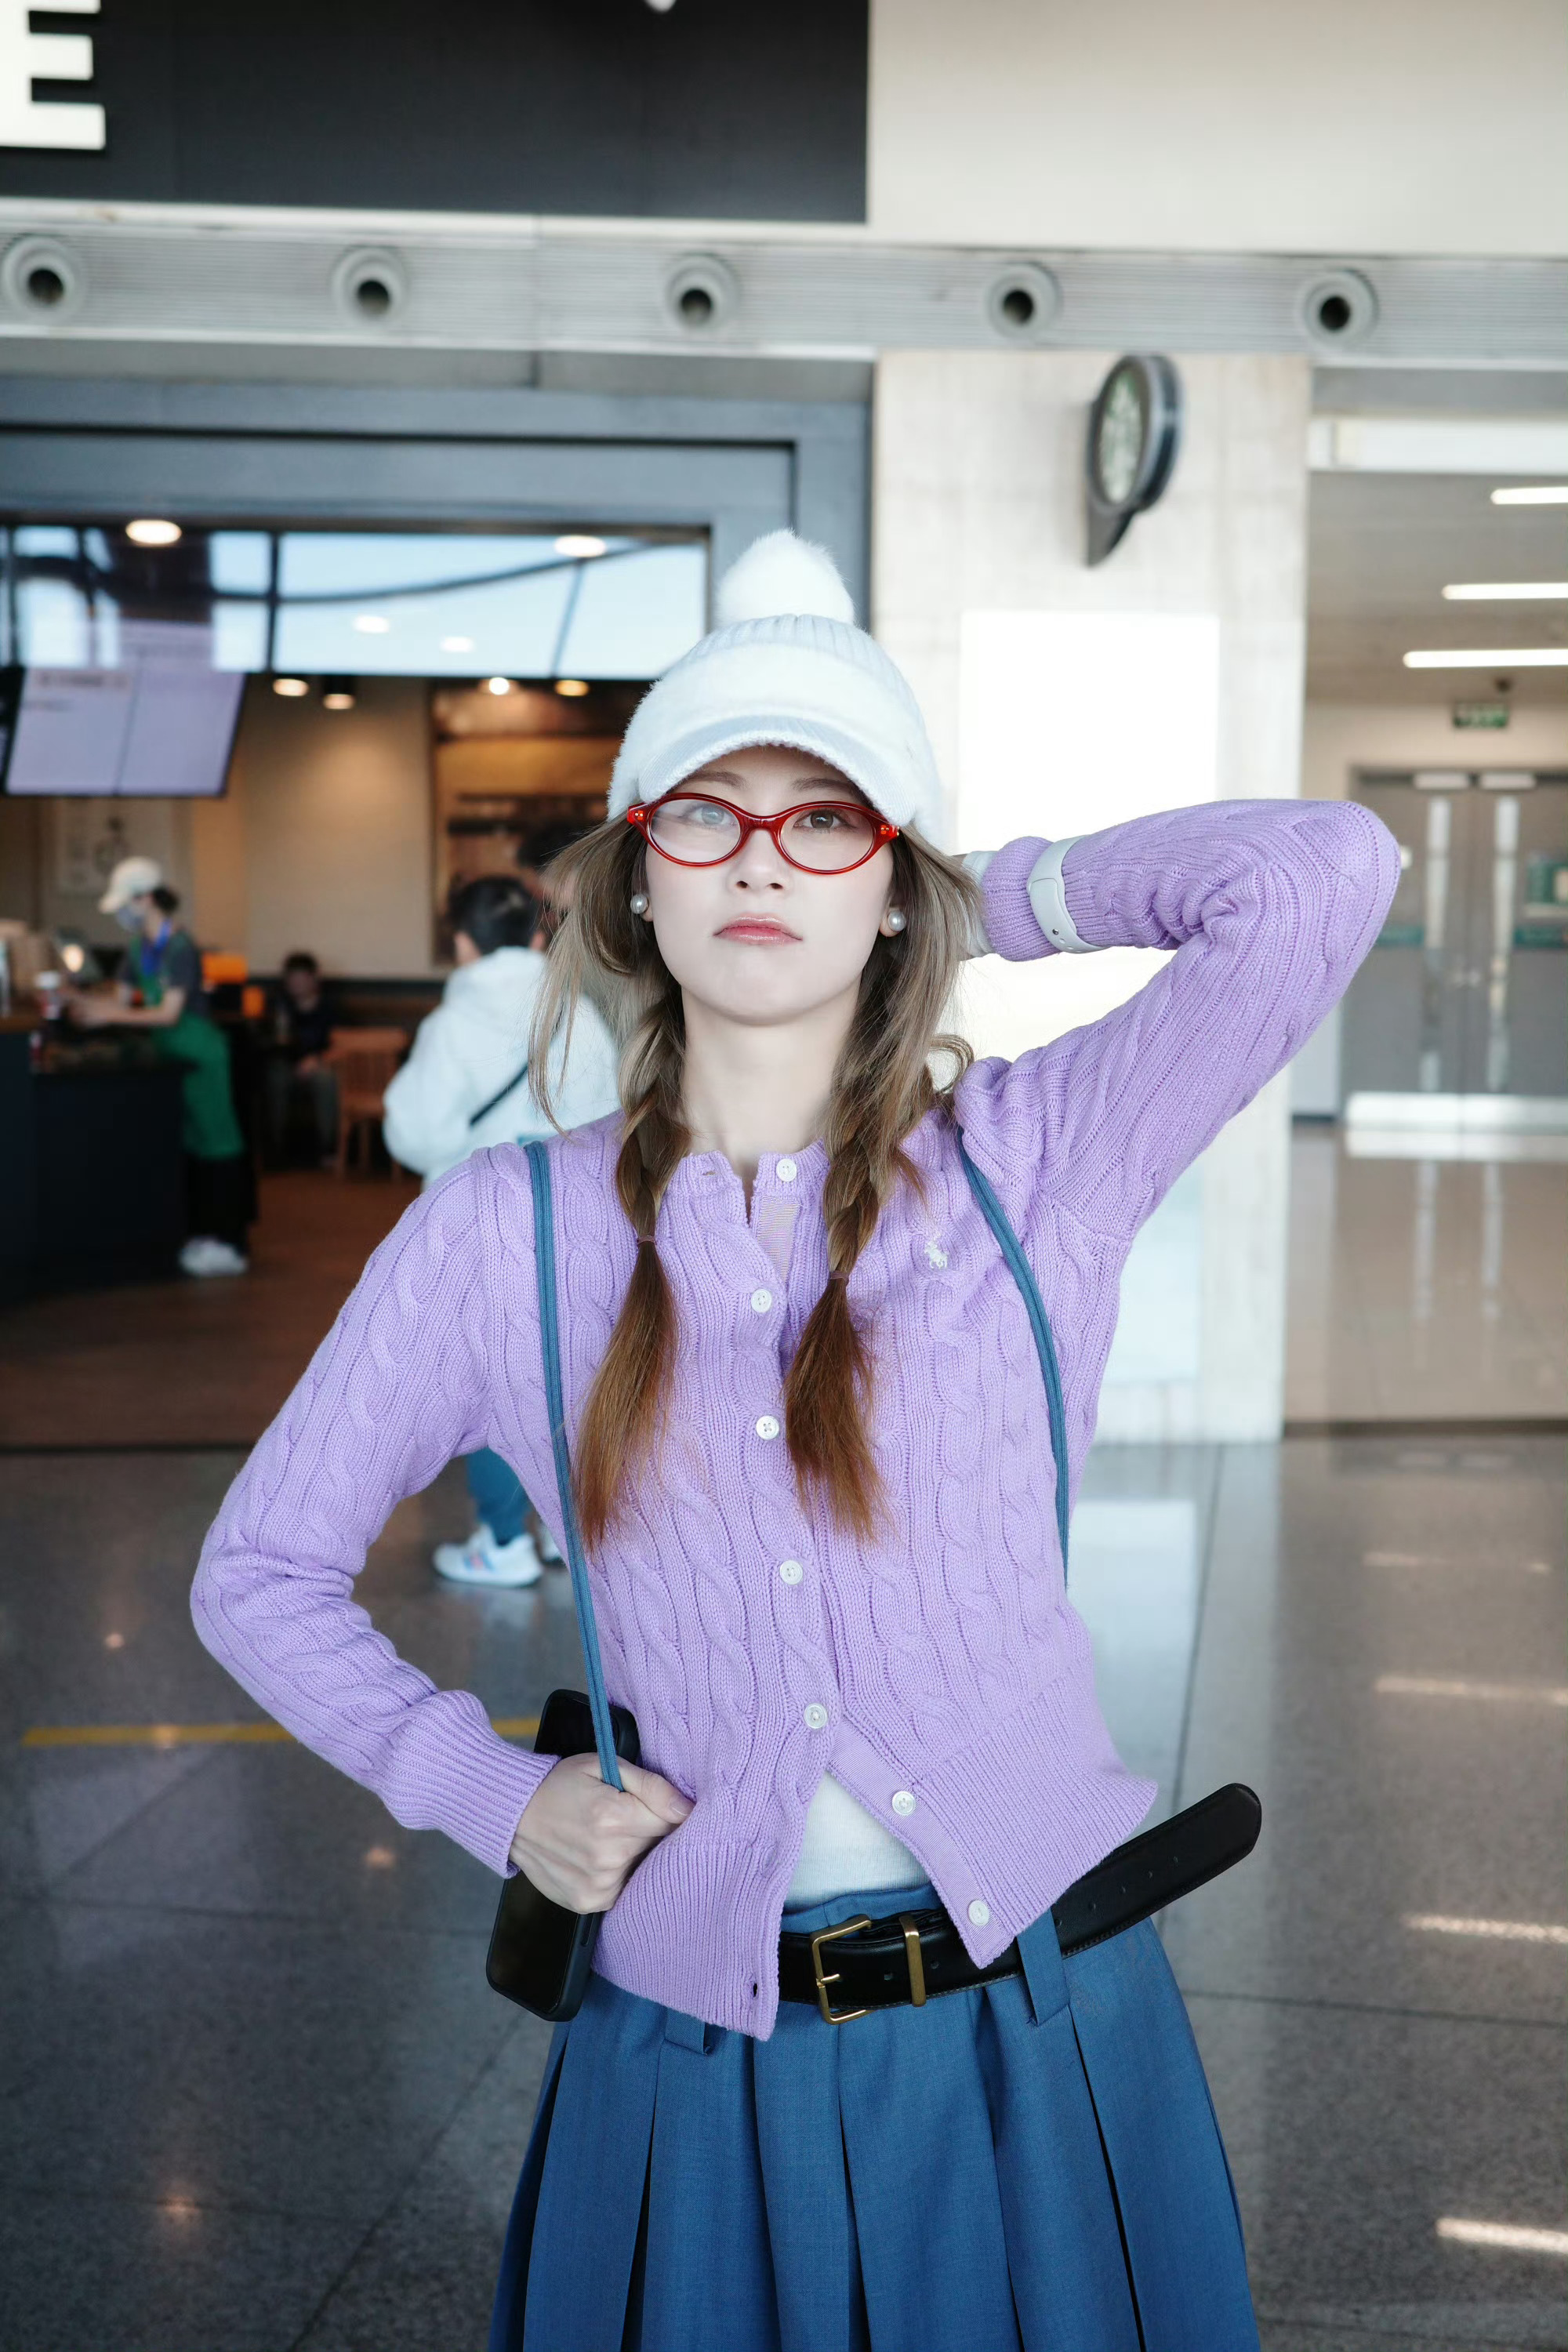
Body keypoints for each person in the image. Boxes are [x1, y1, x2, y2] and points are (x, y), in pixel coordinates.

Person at [192, 531, 1398, 2349]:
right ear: (635, 878)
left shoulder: (1037, 1159)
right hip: (689, 2056)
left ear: (891, 879)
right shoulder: (502, 1230)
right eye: (706, 813)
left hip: (1040, 2033)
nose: (761, 856)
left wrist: (990, 888)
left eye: (825, 818)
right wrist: (490, 1792)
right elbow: (257, 1573)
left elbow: (1321, 872)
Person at [383, 873, 618, 1588]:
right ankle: (563, 1536)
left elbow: (417, 1135)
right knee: (565, 1381)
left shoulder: (451, 1026)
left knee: (492, 1388)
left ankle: (503, 1539)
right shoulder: (577, 1014)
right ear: (538, 937)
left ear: (462, 942)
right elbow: (611, 1121)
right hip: (575, 1223)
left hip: (482, 1228)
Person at [70, 857, 252, 1277]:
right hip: (171, 1058)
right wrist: (75, 998)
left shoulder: (181, 947)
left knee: (219, 1145)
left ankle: (231, 1242)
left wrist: (107, 1015)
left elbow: (168, 1014)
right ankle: (203, 1234)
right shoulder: (138, 948)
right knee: (192, 1145)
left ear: (147, 898)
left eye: (125, 904)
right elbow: (119, 998)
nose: (122, 913)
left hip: (202, 1055)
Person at [263, 950, 339, 1167]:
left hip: (321, 1067)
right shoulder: (279, 1007)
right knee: (275, 1076)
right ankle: (276, 1151)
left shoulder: (329, 1009)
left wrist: (317, 1060)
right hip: (287, 1067)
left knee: (325, 1079)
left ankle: (328, 1148)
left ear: (314, 979)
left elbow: (343, 1044)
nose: (296, 984)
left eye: (301, 978)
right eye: (291, 978)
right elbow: (270, 1043)